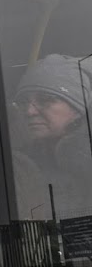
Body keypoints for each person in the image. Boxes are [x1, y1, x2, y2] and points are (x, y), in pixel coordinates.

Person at [11, 55, 92, 219]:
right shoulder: (19, 164)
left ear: (78, 108)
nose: (29, 111)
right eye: (23, 102)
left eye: (46, 100)